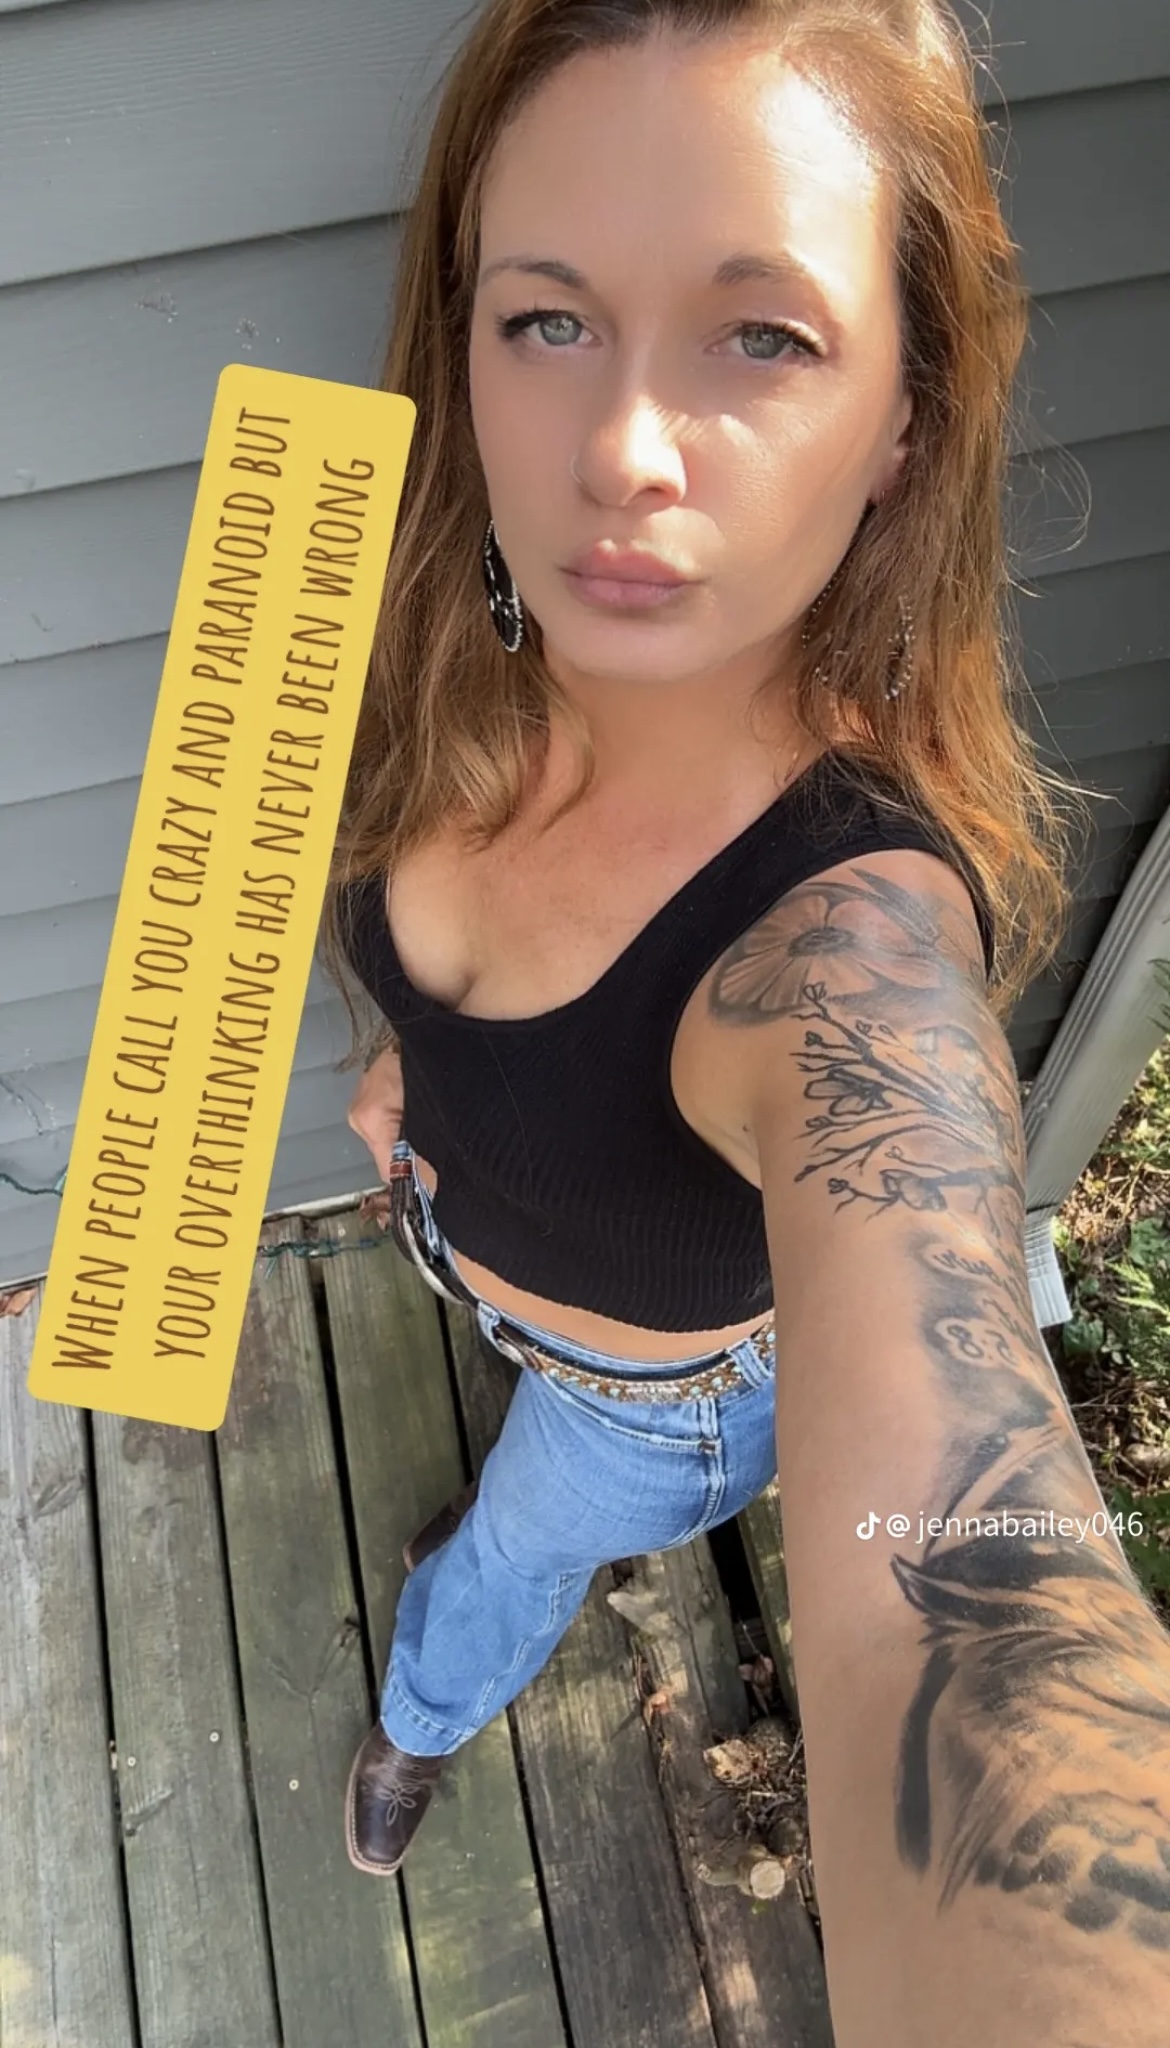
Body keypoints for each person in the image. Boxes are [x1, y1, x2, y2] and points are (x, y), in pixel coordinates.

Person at [318, 2, 1170, 2041]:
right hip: (471, 1254)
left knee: (504, 1558)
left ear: (905, 423)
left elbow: (970, 1587)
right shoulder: (447, 639)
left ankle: (419, 1717)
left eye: (761, 337)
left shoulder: (848, 937)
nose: (621, 446)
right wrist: (418, 1066)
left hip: (648, 1403)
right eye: (545, 319)